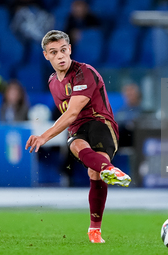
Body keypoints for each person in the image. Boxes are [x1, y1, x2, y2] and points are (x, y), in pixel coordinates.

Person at [25, 30, 131, 243]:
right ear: (46, 55)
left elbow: (72, 112)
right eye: (54, 52)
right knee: (76, 145)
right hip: (78, 129)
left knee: (94, 173)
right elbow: (71, 118)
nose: (60, 56)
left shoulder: (84, 72)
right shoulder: (52, 81)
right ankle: (108, 170)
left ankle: (95, 227)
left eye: (63, 50)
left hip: (100, 122)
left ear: (70, 49)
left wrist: (44, 136)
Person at [115, 83, 142, 147]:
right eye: (128, 94)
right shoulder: (120, 112)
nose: (130, 96)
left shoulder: (143, 111)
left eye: (132, 93)